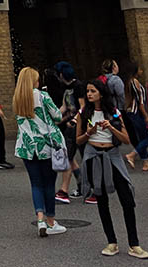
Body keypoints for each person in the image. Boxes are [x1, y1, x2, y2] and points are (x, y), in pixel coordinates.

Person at [78, 78, 148, 258]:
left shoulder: (114, 113)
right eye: (87, 91)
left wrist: (111, 128)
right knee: (101, 200)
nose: (89, 94)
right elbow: (77, 140)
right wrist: (89, 133)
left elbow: (126, 139)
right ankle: (111, 242)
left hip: (113, 156)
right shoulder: (83, 113)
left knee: (126, 199)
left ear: (101, 93)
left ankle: (134, 244)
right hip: (94, 156)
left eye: (92, 91)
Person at [12, 67, 67, 238]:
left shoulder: (17, 98)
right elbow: (57, 117)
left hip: (27, 146)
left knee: (35, 184)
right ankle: (51, 221)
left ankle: (40, 219)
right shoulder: (42, 96)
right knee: (49, 184)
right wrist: (63, 107)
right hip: (45, 145)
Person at [53, 61, 85, 203]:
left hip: (78, 126)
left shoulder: (78, 86)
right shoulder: (66, 88)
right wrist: (54, 119)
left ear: (61, 74)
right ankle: (82, 184)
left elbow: (82, 107)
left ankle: (64, 190)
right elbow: (65, 107)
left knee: (68, 157)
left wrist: (74, 120)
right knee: (70, 157)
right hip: (69, 125)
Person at [123, 64, 148, 172]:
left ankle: (145, 163)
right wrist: (146, 115)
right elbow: (140, 102)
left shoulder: (129, 82)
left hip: (133, 112)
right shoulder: (134, 82)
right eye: (140, 69)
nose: (141, 71)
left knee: (143, 137)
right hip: (136, 113)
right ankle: (132, 154)